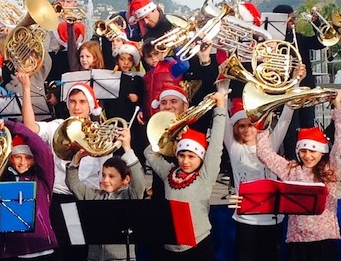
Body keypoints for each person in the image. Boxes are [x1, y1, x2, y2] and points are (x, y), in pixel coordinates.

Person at [23, 81, 111, 261]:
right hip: (61, 198)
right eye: (72, 101)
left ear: (91, 105)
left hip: (86, 199)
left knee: (80, 251)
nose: (76, 107)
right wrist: (26, 88)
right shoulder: (57, 126)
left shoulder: (99, 133)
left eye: (82, 102)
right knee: (62, 251)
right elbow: (31, 129)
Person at [257, 91, 341, 261]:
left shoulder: (331, 170)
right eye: (303, 151)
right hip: (297, 241)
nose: (308, 156)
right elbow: (263, 153)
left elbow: (339, 143)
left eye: (313, 151)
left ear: (322, 151)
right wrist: (262, 122)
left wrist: (337, 108)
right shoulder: (291, 170)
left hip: (324, 240)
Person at [144, 91, 227, 261]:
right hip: (170, 245)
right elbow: (149, 152)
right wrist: (171, 136)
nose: (185, 161)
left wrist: (220, 108)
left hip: (198, 244)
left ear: (201, 158)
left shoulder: (205, 176)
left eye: (191, 157)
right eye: (181, 155)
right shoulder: (169, 173)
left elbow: (217, 144)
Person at [224, 97, 296, 261]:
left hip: (271, 220)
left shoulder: (269, 144)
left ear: (258, 126)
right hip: (245, 220)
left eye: (251, 124)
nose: (247, 130)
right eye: (242, 125)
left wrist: (295, 85)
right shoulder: (234, 147)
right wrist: (223, 85)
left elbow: (285, 120)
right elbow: (222, 118)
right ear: (235, 128)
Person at [65, 127, 146, 261]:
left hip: (121, 258)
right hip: (94, 257)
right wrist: (76, 161)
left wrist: (127, 149)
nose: (105, 180)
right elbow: (73, 184)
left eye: (111, 176)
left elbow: (140, 183)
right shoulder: (95, 195)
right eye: (103, 175)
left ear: (125, 180)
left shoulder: (129, 196)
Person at [0, 118, 57, 260]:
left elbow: (43, 150)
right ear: (11, 158)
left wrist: (14, 126)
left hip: (43, 249)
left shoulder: (42, 179)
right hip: (13, 251)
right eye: (18, 157)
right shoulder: (3, 179)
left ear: (34, 160)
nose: (23, 163)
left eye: (28, 158)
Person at [272, 4, 326, 158]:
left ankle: (309, 159)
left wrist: (317, 24)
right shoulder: (273, 43)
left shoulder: (299, 38)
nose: (295, 22)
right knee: (289, 127)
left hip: (305, 89)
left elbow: (320, 43)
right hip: (286, 92)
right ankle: (291, 158)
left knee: (308, 125)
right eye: (291, 19)